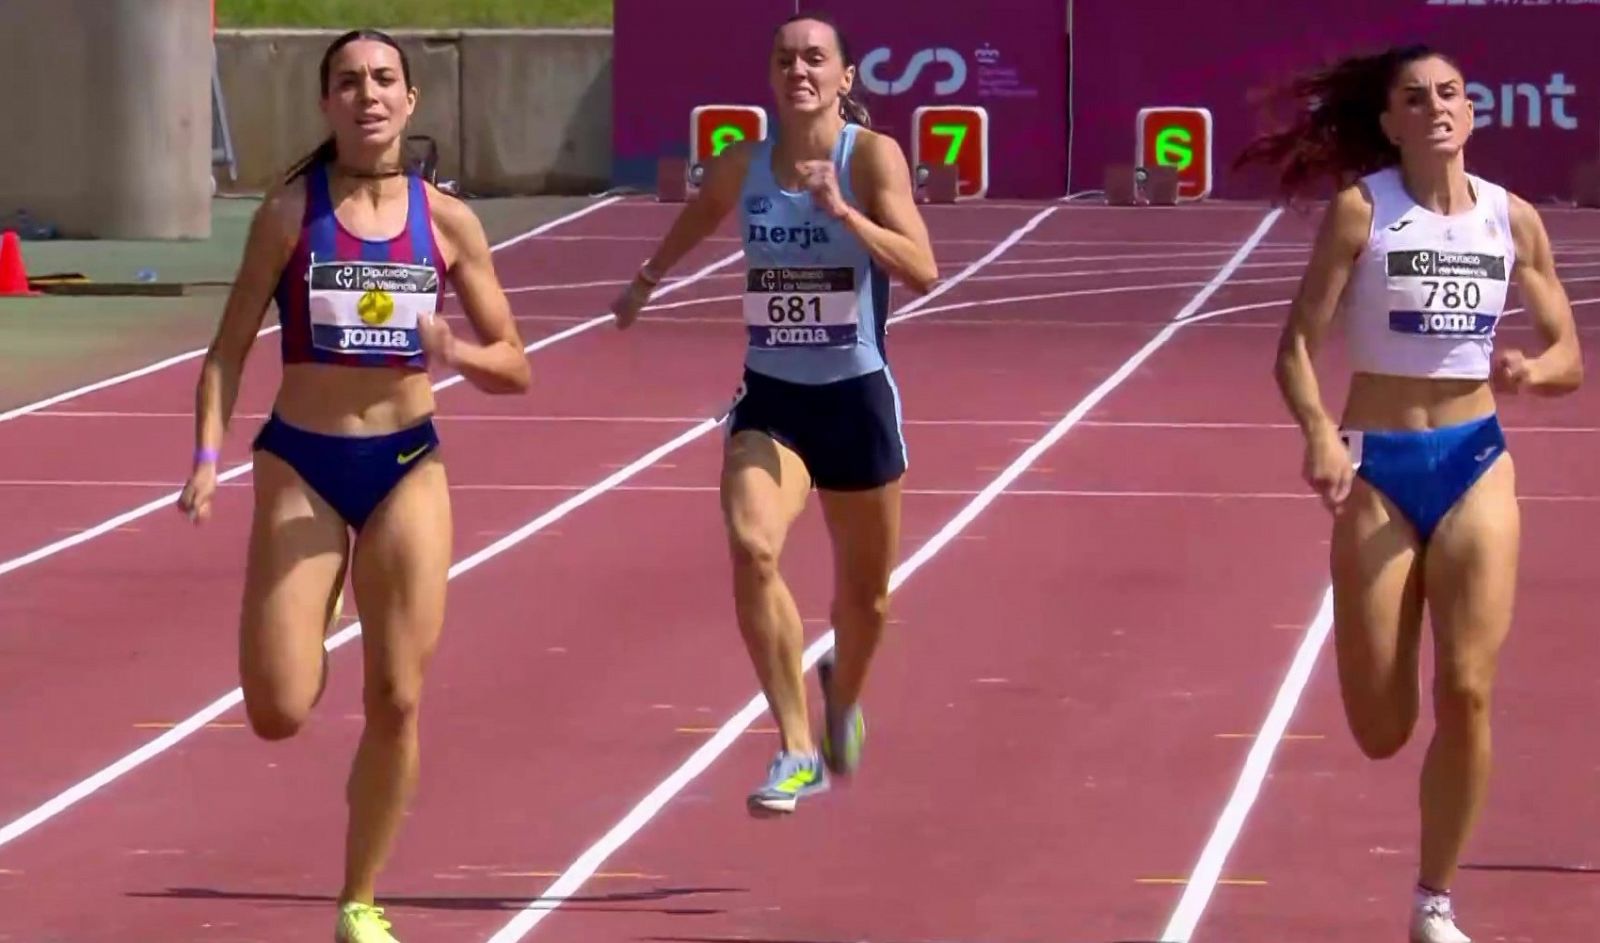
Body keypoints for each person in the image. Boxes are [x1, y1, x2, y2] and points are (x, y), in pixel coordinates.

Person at [176, 28, 530, 943]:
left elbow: (515, 364)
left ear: (410, 101)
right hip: (303, 464)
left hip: (408, 465)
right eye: (348, 82)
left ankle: (359, 897)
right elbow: (223, 355)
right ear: (326, 104)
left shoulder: (448, 222)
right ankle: (318, 604)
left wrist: (460, 351)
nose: (367, 94)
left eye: (383, 80)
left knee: (399, 695)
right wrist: (209, 459)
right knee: (278, 709)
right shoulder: (291, 214)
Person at [1240, 44, 1580, 943]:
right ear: (1390, 123)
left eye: (1452, 93)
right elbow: (1295, 348)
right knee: (1384, 726)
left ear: (1471, 113)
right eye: (1416, 97)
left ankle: (1434, 901)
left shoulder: (1514, 220)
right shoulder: (1365, 212)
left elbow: (1569, 353)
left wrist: (1533, 371)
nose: (1437, 106)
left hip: (1475, 459)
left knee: (1468, 688)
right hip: (1378, 469)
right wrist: (1319, 433)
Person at [609, 10, 938, 817]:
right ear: (771, 76)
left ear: (845, 78)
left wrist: (845, 213)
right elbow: (699, 214)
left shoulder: (873, 159)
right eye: (786, 58)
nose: (800, 70)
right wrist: (647, 279)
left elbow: (924, 268)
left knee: (866, 602)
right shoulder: (743, 165)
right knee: (753, 544)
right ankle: (795, 745)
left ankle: (841, 697)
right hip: (774, 399)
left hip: (857, 399)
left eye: (816, 59)